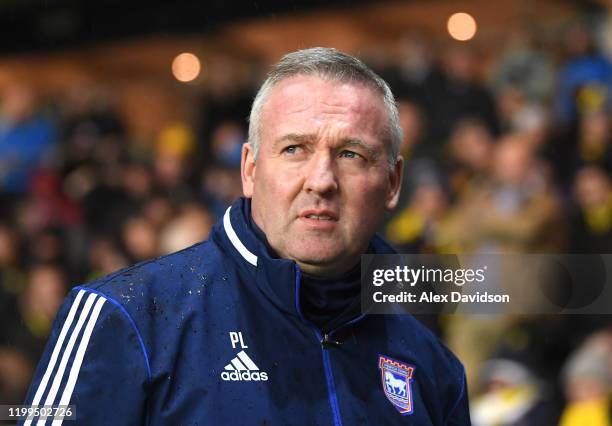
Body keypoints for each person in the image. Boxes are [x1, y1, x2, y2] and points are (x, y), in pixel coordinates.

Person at [20, 48, 470, 425]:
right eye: (295, 149)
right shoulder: (125, 316)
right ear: (250, 170)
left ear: (393, 183)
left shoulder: (431, 362)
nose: (322, 179)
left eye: (351, 154)